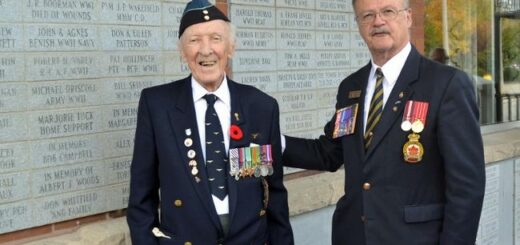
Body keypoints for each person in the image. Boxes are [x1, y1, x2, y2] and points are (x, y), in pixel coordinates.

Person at [282, 0, 485, 244]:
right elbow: (329, 152)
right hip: (354, 236)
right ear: (358, 25)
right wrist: (272, 142)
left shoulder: (445, 84)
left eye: (388, 11)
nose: (378, 21)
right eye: (367, 15)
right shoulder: (351, 87)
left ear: (408, 17)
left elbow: (467, 187)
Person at [126, 0, 294, 244]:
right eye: (194, 41)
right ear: (182, 52)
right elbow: (141, 197)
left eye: (216, 38)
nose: (206, 50)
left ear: (231, 47)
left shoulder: (261, 106)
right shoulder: (157, 105)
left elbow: (274, 193)